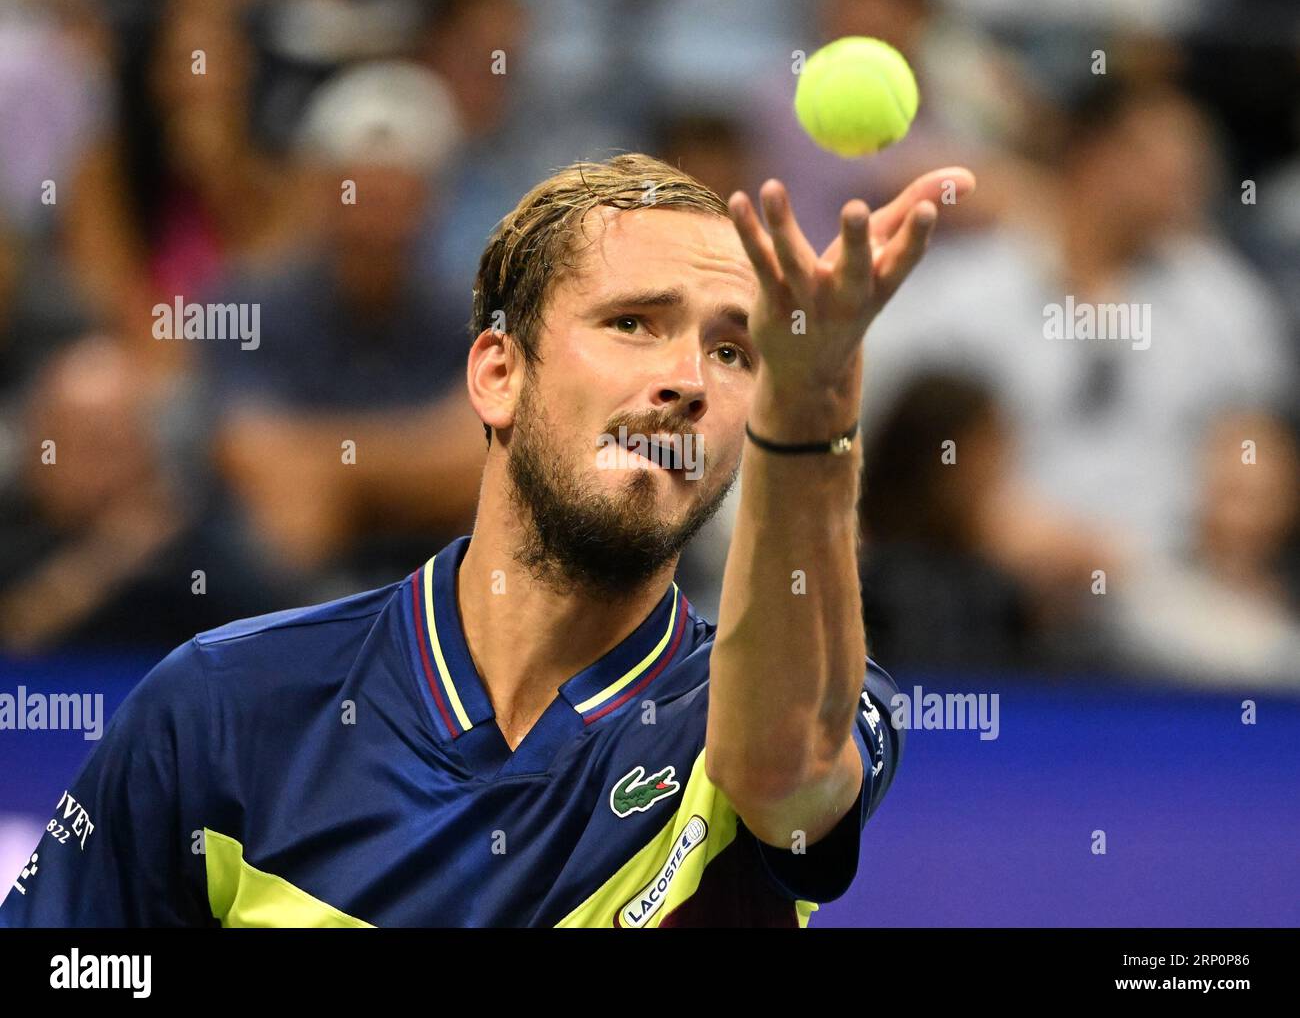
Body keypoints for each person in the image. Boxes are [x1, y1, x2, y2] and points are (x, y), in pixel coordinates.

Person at [0, 153, 974, 927]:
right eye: (634, 323)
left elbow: (785, 775)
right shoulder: (222, 710)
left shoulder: (759, 709)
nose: (688, 378)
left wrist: (809, 396)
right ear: (498, 373)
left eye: (733, 351)